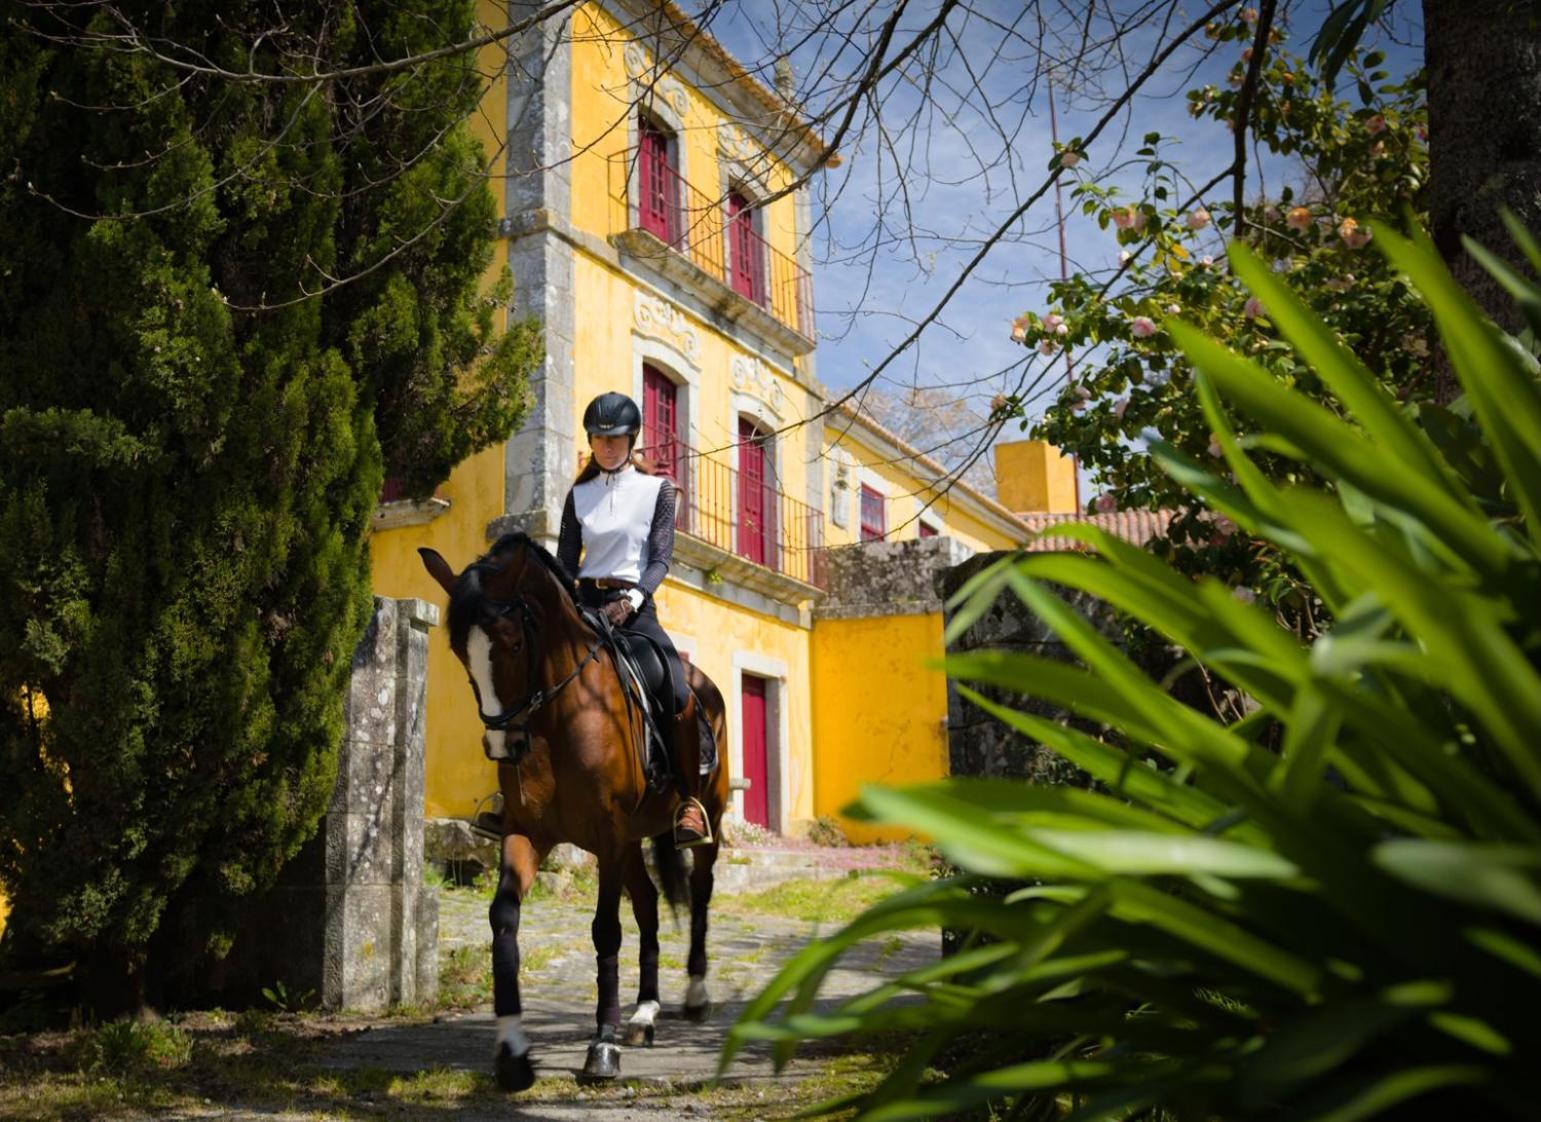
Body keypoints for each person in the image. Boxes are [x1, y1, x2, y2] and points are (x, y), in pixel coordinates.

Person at [558, 391, 715, 846]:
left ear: (631, 439)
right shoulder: (578, 495)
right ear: (591, 440)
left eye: (615, 438)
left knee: (675, 684)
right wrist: (565, 598)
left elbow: (661, 559)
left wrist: (632, 599)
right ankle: (519, 792)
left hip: (635, 607)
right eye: (599, 439)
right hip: (584, 605)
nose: (606, 446)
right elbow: (566, 560)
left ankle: (689, 801)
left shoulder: (657, 491)